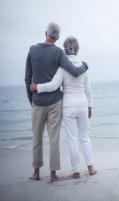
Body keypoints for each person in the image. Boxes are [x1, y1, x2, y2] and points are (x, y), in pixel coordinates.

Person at [25, 22, 89, 183]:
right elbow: (74, 72)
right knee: (54, 139)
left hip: (37, 102)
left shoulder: (32, 50)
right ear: (58, 37)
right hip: (55, 102)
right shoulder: (59, 53)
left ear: (45, 33)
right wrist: (86, 65)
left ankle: (36, 172)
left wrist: (31, 99)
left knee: (36, 138)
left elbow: (28, 78)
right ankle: (53, 175)